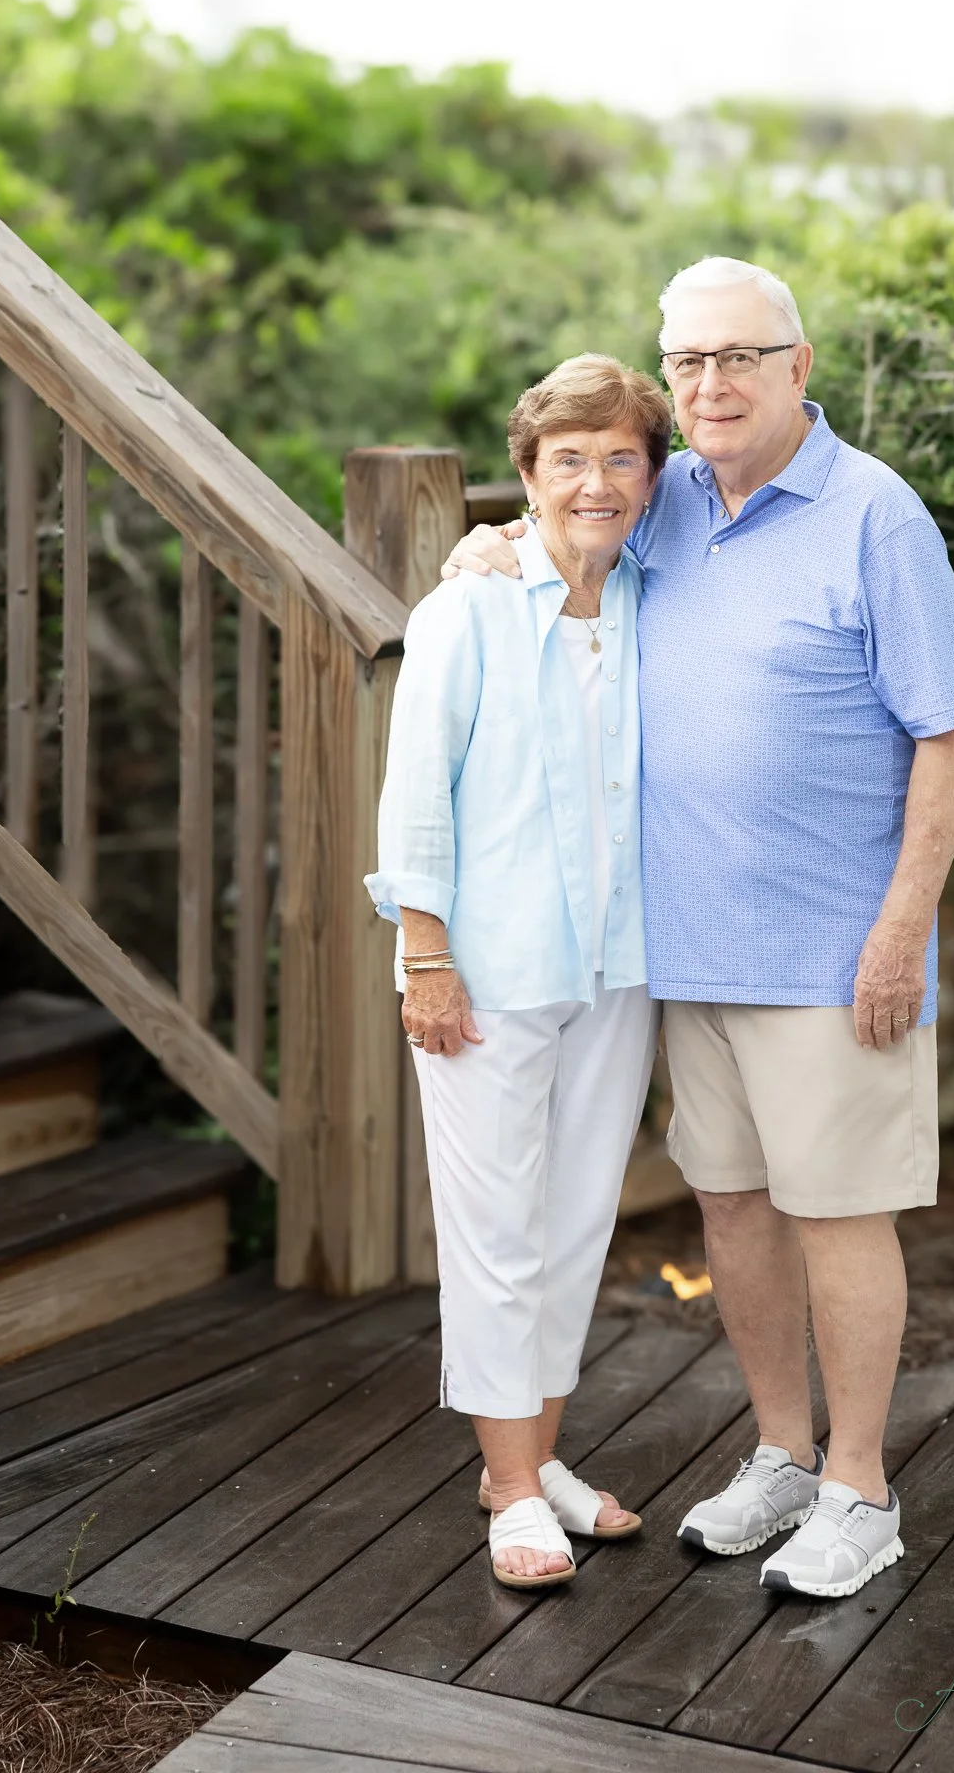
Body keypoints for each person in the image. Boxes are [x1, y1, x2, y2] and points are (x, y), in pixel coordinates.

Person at [442, 258, 954, 1600]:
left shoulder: (874, 517)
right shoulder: (669, 496)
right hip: (685, 951)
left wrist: (900, 928)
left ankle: (861, 1487)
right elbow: (563, 519)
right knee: (732, 1211)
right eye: (688, 362)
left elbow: (951, 731)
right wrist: (490, 541)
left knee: (839, 1213)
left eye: (740, 357)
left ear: (799, 367)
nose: (711, 384)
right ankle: (784, 1455)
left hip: (828, 952)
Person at [365, 353, 671, 1590]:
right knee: (494, 1232)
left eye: (619, 457)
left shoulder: (661, 593)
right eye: (566, 459)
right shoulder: (469, 607)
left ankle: (539, 1454)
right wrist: (422, 954)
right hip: (484, 967)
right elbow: (414, 796)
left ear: (653, 474)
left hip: (620, 963)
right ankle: (504, 1484)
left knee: (575, 1220)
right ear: (528, 474)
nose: (595, 481)